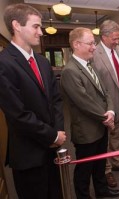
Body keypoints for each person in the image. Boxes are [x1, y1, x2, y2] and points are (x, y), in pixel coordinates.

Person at [0, 3, 66, 199]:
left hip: (53, 151)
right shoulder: (3, 63)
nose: (41, 32)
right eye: (36, 26)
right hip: (28, 154)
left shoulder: (43, 61)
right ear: (17, 25)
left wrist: (59, 132)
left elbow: (56, 100)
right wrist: (53, 136)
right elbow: (18, 114)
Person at [60, 27, 119, 199]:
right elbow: (84, 102)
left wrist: (110, 110)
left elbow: (106, 92)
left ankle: (102, 192)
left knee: (100, 164)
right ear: (76, 44)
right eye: (90, 43)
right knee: (84, 169)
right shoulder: (70, 71)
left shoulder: (91, 64)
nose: (94, 47)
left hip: (100, 126)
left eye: (94, 43)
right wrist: (107, 118)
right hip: (86, 131)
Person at [93, 20, 119, 188]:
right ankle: (106, 169)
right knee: (106, 138)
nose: (117, 41)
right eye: (114, 38)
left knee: (117, 135)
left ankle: (117, 161)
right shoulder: (94, 53)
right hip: (106, 106)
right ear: (104, 36)